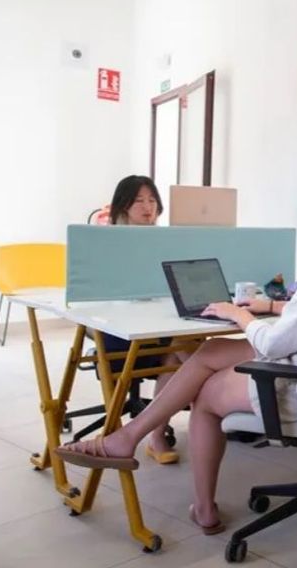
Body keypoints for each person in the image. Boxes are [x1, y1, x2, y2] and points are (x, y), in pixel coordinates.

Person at [57, 173, 297, 535]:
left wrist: (239, 314)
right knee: (211, 350)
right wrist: (273, 306)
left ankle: (203, 508)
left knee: (206, 395)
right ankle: (130, 437)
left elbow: (276, 344)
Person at [101, 175, 184, 464]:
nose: (147, 207)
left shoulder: (166, 240)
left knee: (185, 348)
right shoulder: (106, 242)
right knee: (190, 352)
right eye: (138, 201)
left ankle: (155, 435)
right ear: (122, 206)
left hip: (159, 323)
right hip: (120, 330)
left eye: (152, 200)